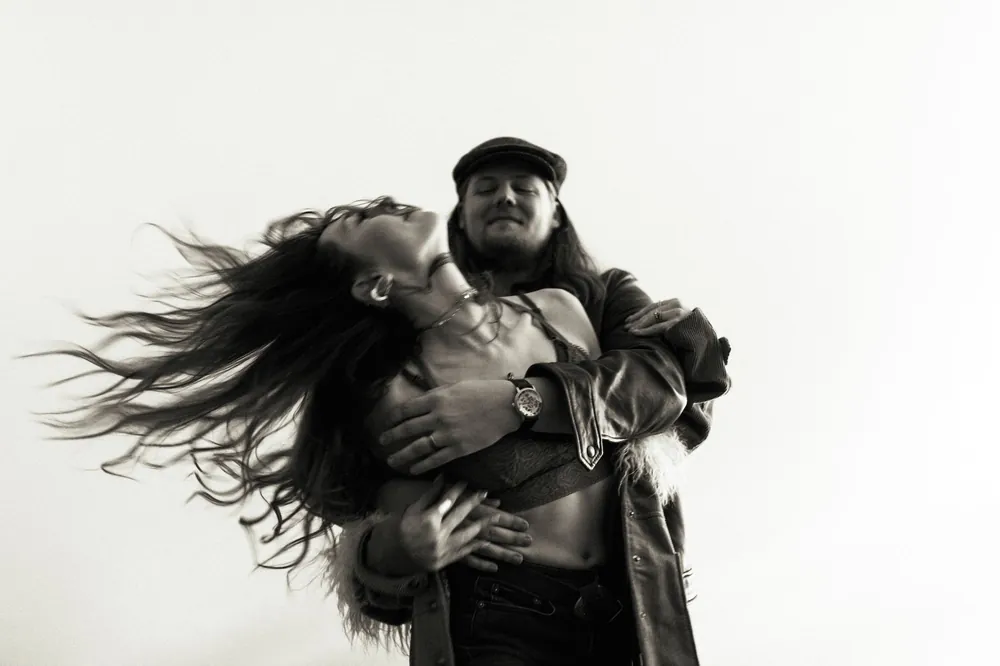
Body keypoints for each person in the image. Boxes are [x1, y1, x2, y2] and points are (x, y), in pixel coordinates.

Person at [331, 138, 732, 666]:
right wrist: (393, 550)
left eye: (525, 187)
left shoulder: (596, 298)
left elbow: (663, 390)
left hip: (632, 599)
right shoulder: (396, 356)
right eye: (485, 189)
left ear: (556, 212)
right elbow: (354, 500)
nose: (505, 197)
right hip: (495, 611)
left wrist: (519, 401)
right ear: (460, 217)